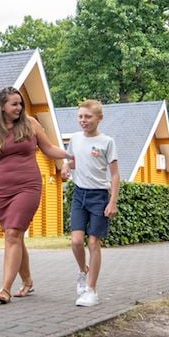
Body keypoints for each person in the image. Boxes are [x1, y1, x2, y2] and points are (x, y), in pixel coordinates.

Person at [0, 86, 72, 304]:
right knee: (15, 237)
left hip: (28, 186)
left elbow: (49, 149)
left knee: (12, 235)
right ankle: (27, 281)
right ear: (2, 106)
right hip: (2, 190)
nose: (19, 107)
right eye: (14, 104)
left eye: (20, 103)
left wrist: (69, 154)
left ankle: (5, 289)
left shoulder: (30, 124)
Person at [61, 100, 120, 307]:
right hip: (79, 195)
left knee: (94, 243)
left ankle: (91, 290)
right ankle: (82, 271)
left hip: (99, 196)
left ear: (99, 118)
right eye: (80, 117)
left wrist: (112, 201)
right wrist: (66, 166)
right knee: (76, 241)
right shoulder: (75, 139)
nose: (83, 121)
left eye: (88, 117)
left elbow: (114, 175)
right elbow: (74, 161)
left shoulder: (107, 142)